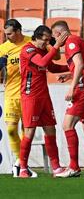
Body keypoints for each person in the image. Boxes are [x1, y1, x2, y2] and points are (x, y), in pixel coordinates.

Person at [51, 21, 84, 179]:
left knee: (67, 125)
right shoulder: (81, 41)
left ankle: (74, 167)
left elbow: (80, 64)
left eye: (55, 37)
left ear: (60, 34)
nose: (56, 41)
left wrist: (71, 87)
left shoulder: (71, 42)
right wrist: (69, 75)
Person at [19, 25, 69, 178]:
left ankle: (56, 168)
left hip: (44, 96)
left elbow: (51, 67)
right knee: (30, 132)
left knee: (50, 129)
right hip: (30, 96)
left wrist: (72, 67)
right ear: (36, 37)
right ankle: (22, 168)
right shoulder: (27, 50)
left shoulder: (42, 50)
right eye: (45, 40)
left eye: (49, 40)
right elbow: (41, 63)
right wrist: (56, 46)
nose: (46, 43)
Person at [0, 19, 37, 177]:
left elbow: (52, 57)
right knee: (10, 129)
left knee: (26, 131)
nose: (7, 37)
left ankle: (20, 164)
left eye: (9, 34)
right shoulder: (3, 48)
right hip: (10, 94)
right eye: (5, 34)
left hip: (28, 93)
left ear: (18, 30)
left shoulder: (31, 43)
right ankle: (21, 163)